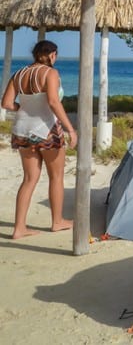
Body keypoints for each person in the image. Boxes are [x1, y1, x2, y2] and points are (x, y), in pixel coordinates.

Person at [1, 40, 77, 239]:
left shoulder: (18, 74)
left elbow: (7, 103)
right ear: (50, 54)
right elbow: (53, 101)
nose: (56, 58)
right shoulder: (50, 73)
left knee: (28, 179)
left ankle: (19, 228)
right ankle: (58, 221)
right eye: (55, 54)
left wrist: (24, 109)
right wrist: (70, 129)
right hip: (47, 130)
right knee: (56, 177)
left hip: (22, 130)